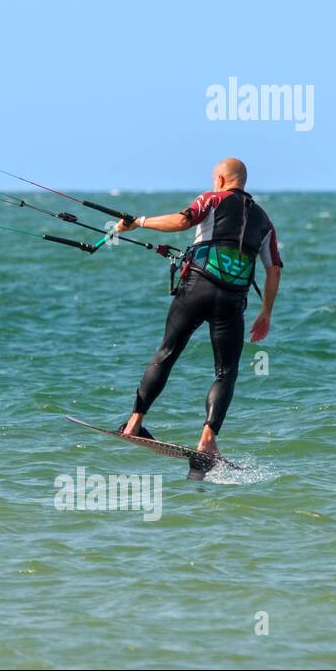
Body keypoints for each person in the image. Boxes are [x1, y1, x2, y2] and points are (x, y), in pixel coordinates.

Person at [112, 157, 282, 478]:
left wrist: (139, 221)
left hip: (197, 288)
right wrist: (266, 312)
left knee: (167, 352)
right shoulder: (265, 221)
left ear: (220, 178)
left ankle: (134, 422)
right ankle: (207, 440)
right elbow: (274, 269)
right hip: (232, 301)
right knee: (225, 372)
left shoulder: (212, 198)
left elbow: (182, 220)